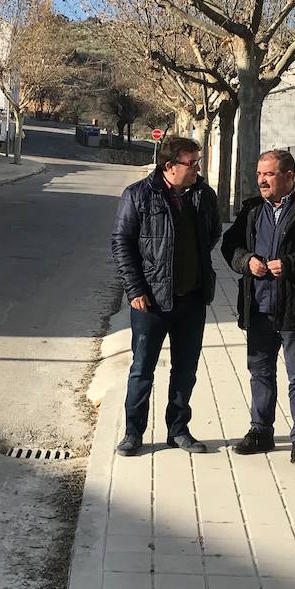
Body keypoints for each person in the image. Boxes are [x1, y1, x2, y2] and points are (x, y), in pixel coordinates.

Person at [221, 150, 295, 468]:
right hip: (258, 305)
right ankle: (261, 432)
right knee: (260, 372)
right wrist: (247, 261)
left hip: (294, 307)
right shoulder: (252, 209)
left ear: (288, 176)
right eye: (260, 173)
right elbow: (230, 245)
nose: (262, 180)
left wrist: (290, 264)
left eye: (269, 174)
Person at [111, 135, 222, 455]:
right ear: (170, 166)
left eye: (198, 162)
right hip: (151, 302)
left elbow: (213, 233)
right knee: (142, 370)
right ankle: (133, 433)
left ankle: (178, 430)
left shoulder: (204, 195)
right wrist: (135, 289)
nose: (198, 168)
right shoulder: (138, 195)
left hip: (193, 299)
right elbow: (121, 244)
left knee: (185, 371)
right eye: (192, 163)